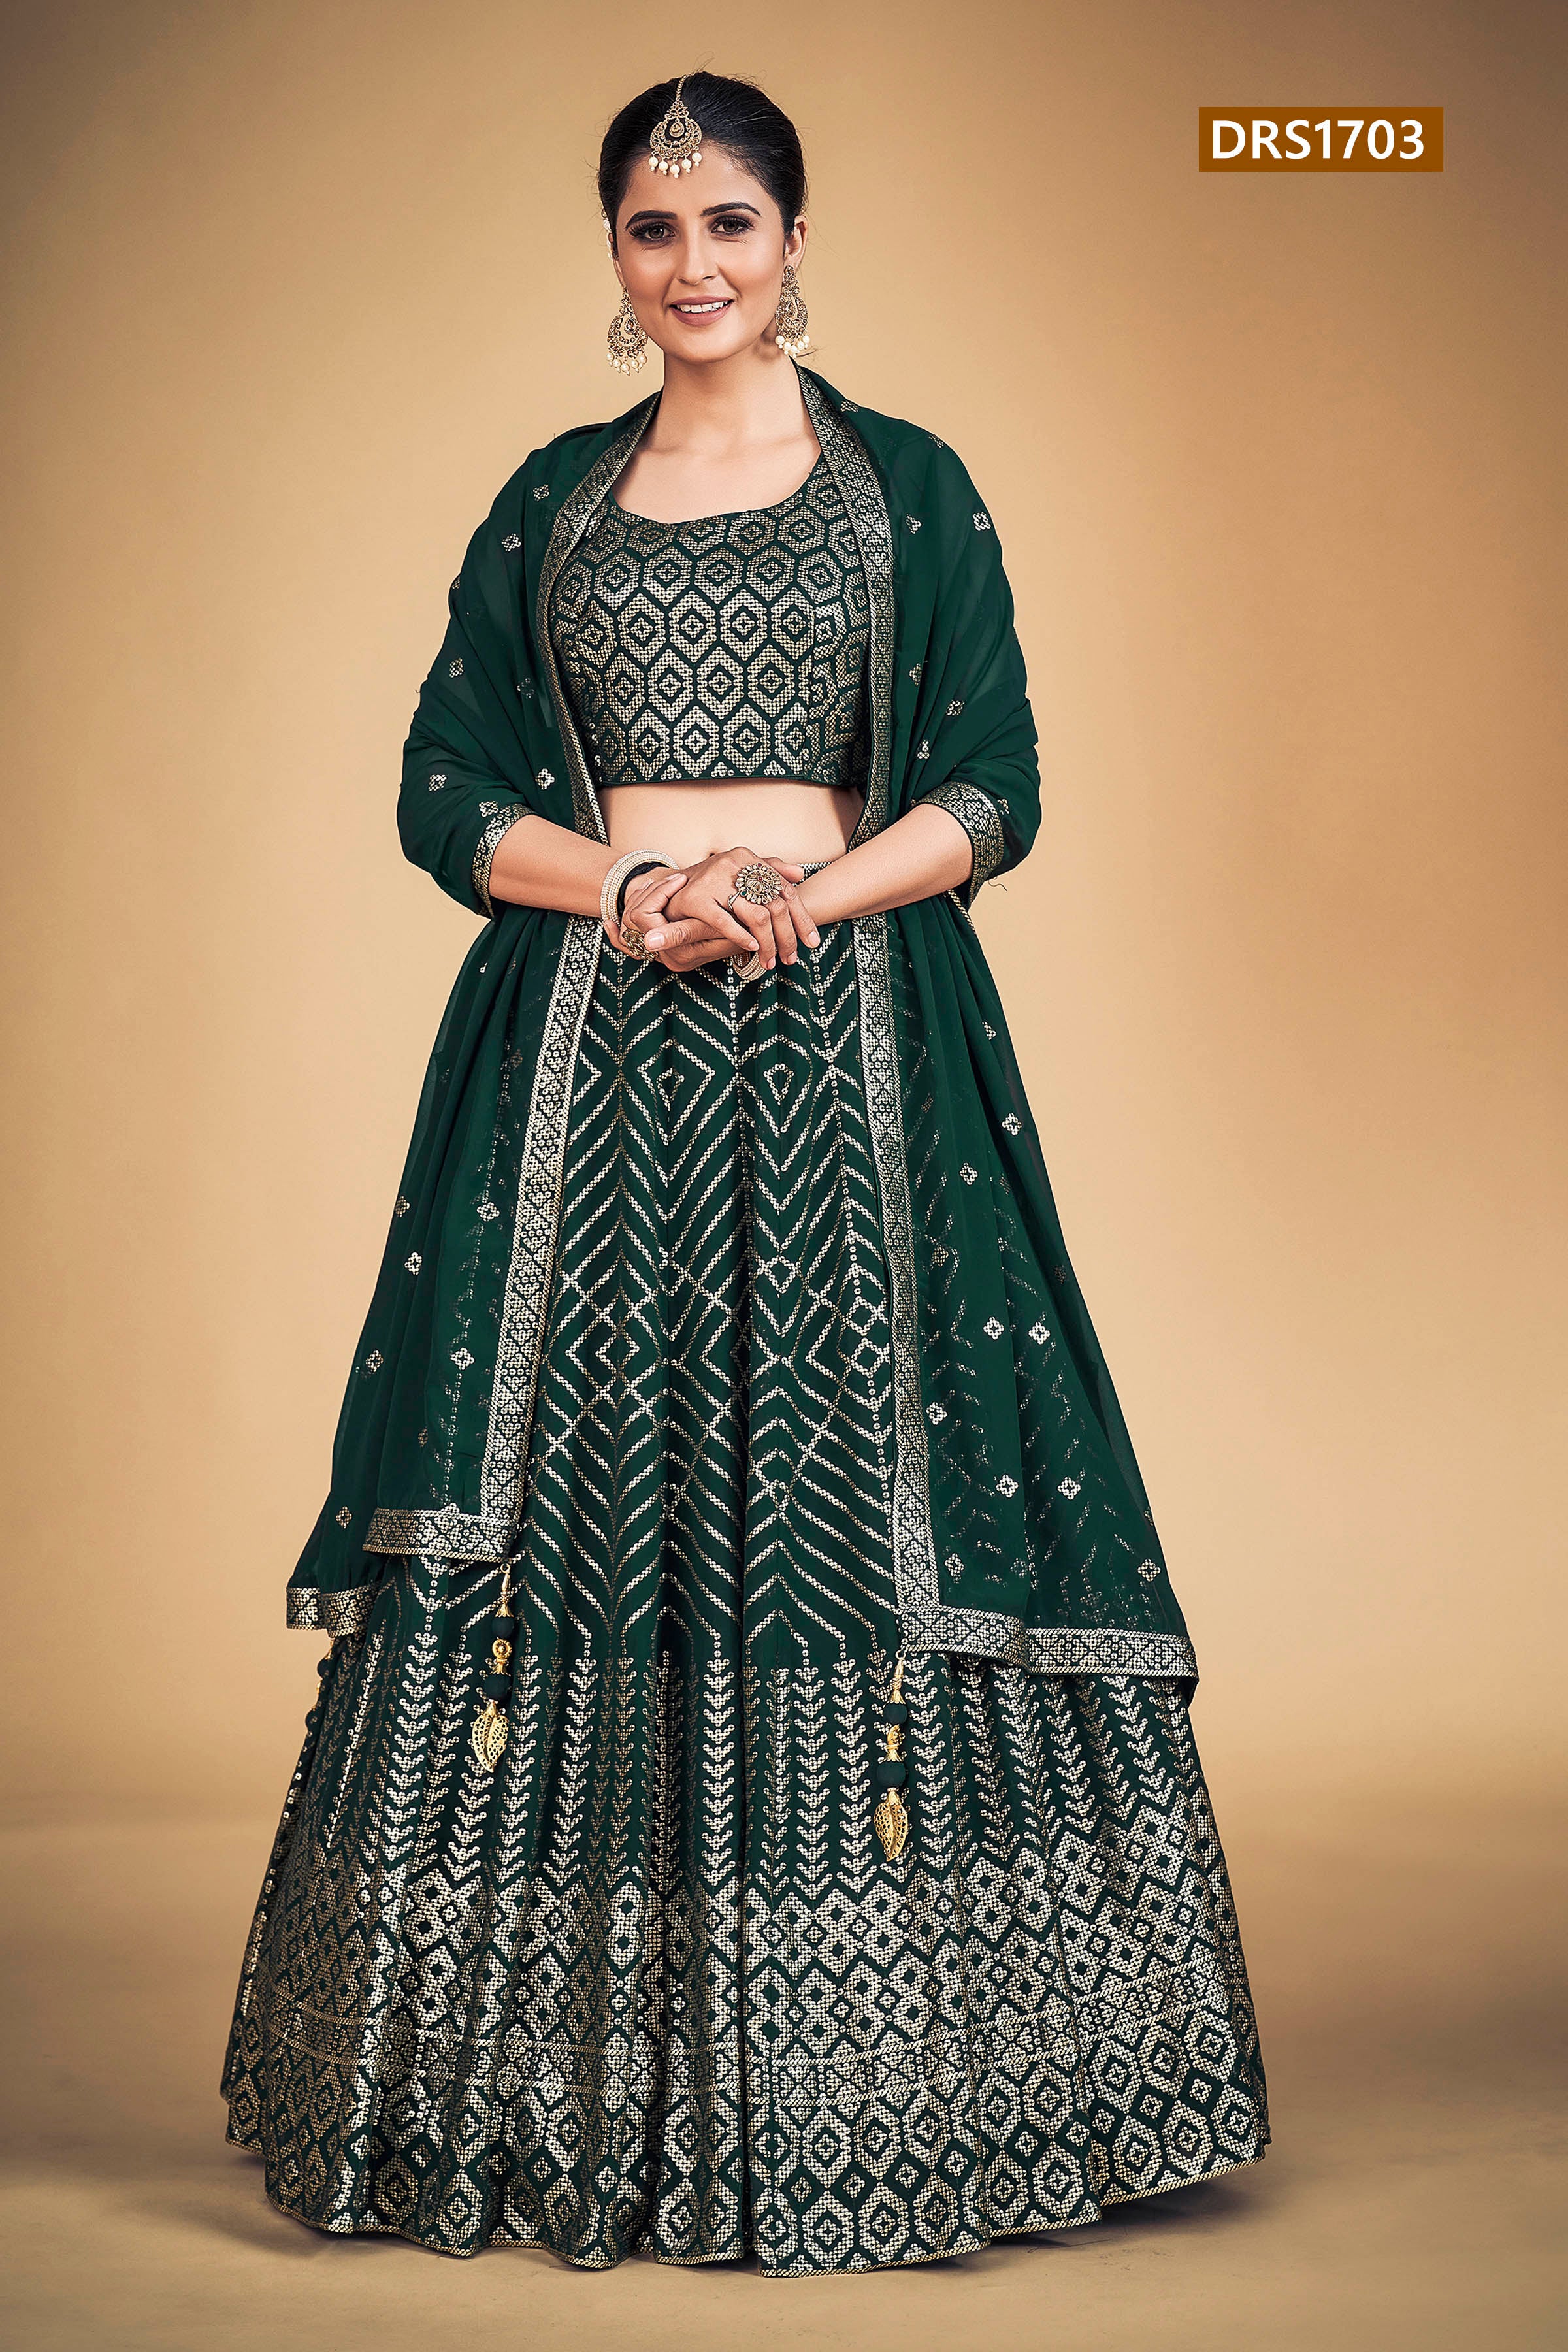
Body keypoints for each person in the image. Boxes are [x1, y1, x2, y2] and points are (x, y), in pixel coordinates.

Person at [222, 71, 1267, 2276]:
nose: (692, 263)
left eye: (729, 223)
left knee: (847, 1491)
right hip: (586, 1056)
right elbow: (439, 787)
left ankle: (910, 2087)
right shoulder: (553, 504)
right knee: (586, 1490)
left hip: (850, 1049)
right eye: (651, 225)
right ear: (613, 256)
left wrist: (801, 899)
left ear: (796, 239)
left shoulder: (908, 491)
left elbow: (996, 782)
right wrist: (627, 889)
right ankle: (545, 2085)